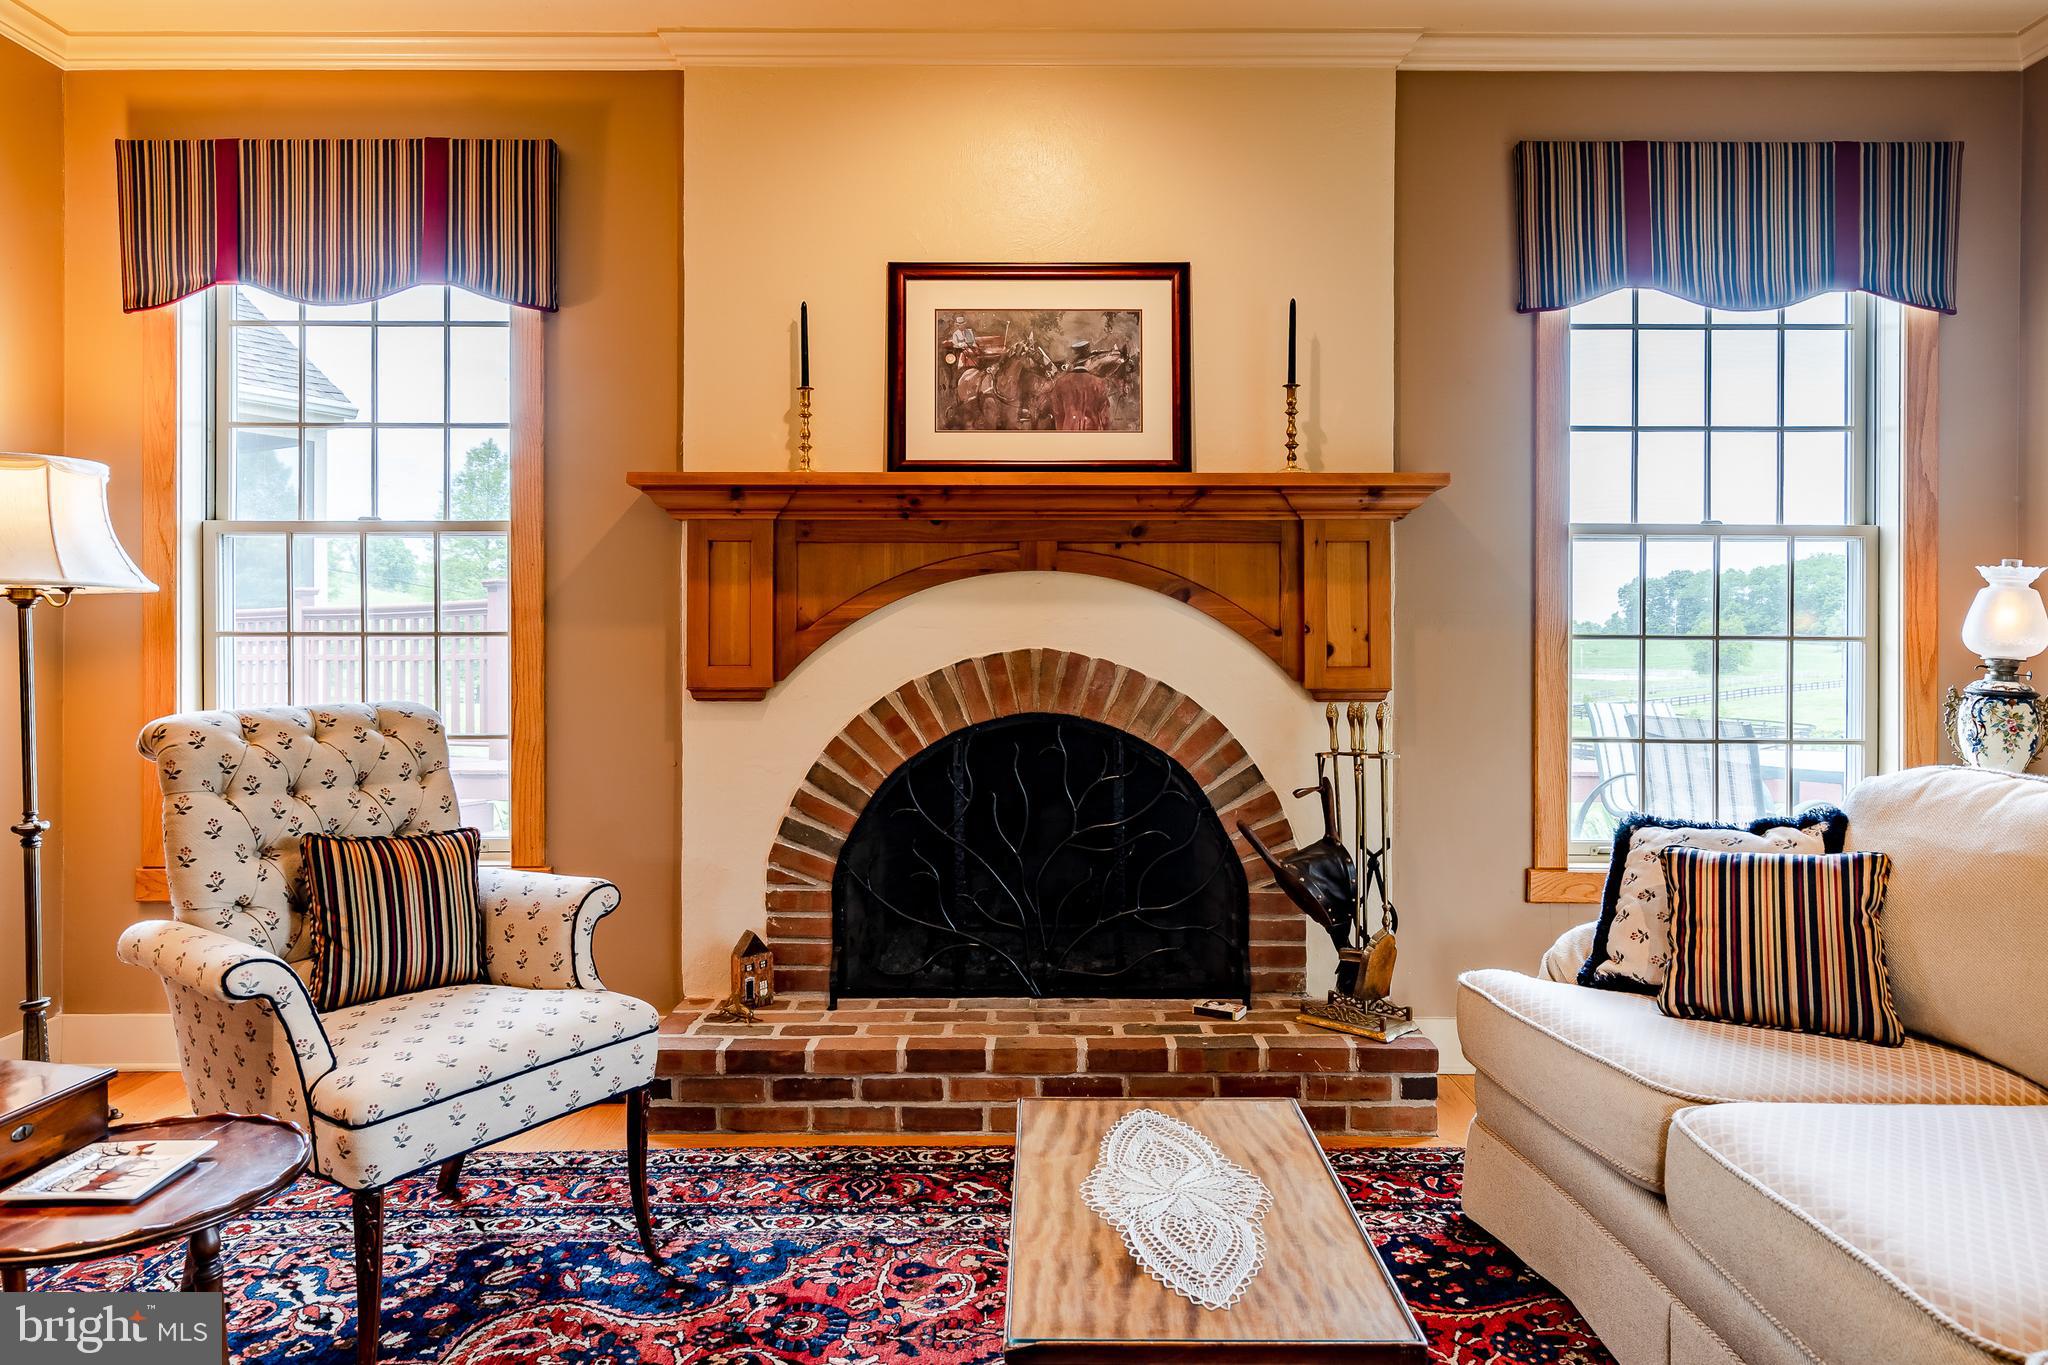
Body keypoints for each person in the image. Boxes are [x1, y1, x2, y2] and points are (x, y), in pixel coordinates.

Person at [1045, 339, 1112, 431]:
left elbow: (1058, 413)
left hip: (1069, 431)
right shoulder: (1100, 383)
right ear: (1088, 361)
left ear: (1074, 362)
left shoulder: (1061, 383)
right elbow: (1105, 417)